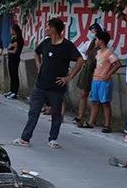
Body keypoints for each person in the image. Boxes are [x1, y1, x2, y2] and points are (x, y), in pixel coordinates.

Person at [13, 17, 84, 149]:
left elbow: (80, 60)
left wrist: (68, 77)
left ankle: (53, 138)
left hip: (56, 87)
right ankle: (25, 138)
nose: (45, 29)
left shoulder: (67, 45)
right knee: (33, 112)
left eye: (47, 27)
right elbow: (36, 52)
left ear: (53, 29)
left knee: (56, 114)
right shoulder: (46, 43)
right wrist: (38, 64)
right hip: (40, 85)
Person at [83, 30, 121, 133]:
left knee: (105, 103)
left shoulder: (108, 52)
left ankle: (107, 125)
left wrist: (108, 74)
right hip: (96, 79)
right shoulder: (98, 52)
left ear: (101, 41)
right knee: (94, 101)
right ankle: (91, 122)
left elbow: (117, 64)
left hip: (104, 81)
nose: (95, 41)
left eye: (96, 39)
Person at [74, 23, 104, 125]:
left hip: (97, 72)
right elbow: (80, 52)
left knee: (95, 97)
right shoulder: (89, 43)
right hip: (87, 70)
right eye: (91, 31)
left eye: (94, 31)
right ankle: (80, 116)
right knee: (83, 93)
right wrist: (86, 59)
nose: (92, 33)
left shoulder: (104, 45)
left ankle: (92, 119)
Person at [4, 23, 24, 99]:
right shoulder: (13, 38)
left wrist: (9, 50)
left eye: (11, 30)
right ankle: (11, 90)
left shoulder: (18, 39)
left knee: (15, 75)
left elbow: (14, 51)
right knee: (11, 74)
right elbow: (9, 47)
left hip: (15, 58)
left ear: (14, 30)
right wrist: (9, 48)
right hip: (11, 58)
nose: (10, 31)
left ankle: (15, 92)